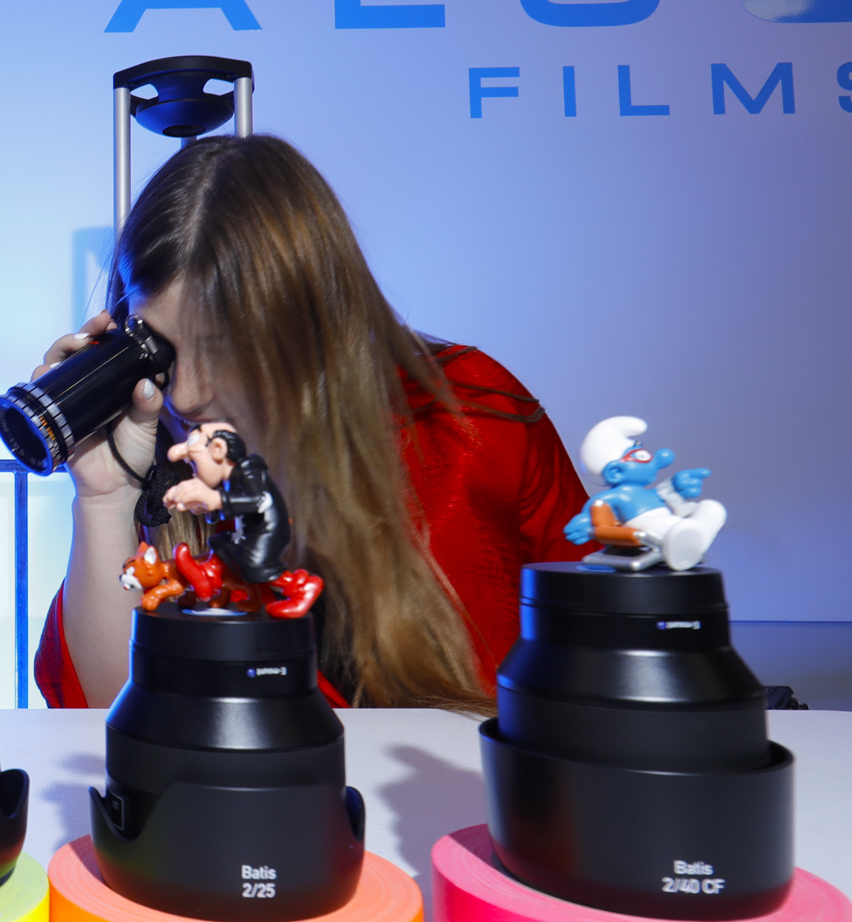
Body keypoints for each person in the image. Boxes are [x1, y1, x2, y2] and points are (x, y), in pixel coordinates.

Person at [35, 135, 590, 714]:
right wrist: (105, 496)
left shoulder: (464, 416)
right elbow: (110, 725)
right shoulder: (158, 473)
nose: (187, 395)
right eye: (163, 348)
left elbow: (596, 653)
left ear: (312, 325)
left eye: (223, 346)